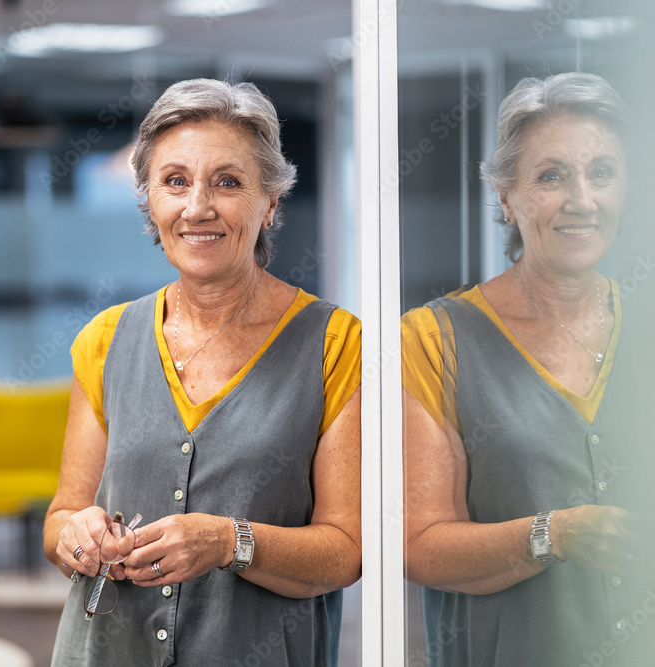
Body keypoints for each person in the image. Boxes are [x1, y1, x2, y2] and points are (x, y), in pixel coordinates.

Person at [43, 78, 361, 666]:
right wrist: (76, 535)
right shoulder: (104, 340)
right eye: (175, 181)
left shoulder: (335, 343)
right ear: (150, 202)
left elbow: (345, 552)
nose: (197, 208)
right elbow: (60, 517)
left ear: (270, 203)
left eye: (228, 182)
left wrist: (228, 542)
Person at [402, 72, 654, 666]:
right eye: (551, 176)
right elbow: (419, 546)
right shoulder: (434, 339)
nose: (581, 200)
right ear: (507, 199)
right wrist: (554, 534)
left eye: (602, 173)